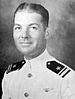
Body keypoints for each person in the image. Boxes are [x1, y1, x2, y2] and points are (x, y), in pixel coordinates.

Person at [2, 2, 75, 99]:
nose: (24, 35)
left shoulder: (66, 78)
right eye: (18, 28)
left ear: (46, 33)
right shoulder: (10, 75)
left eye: (33, 28)